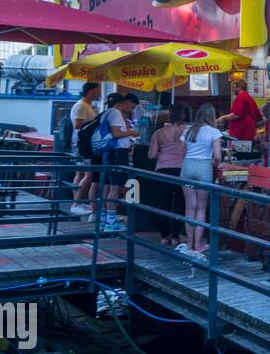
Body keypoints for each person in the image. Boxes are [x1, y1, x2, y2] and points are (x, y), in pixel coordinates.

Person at [180, 103, 223, 262]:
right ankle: (198, 245)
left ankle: (189, 244)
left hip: (187, 167)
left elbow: (182, 153)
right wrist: (215, 165)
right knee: (201, 208)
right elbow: (217, 156)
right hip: (204, 167)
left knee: (189, 207)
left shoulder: (188, 130)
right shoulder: (214, 132)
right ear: (212, 116)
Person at [96, 92, 140, 231]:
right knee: (114, 187)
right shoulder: (115, 113)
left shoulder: (107, 113)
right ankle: (111, 222)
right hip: (117, 153)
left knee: (108, 186)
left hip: (108, 153)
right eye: (132, 107)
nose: (132, 110)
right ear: (125, 102)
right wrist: (131, 133)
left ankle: (103, 219)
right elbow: (116, 134)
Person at [148, 102, 189, 248]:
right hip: (181, 170)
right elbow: (187, 152)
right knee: (179, 203)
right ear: (182, 115)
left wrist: (163, 153)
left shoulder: (159, 133)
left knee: (163, 203)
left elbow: (151, 155)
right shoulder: (186, 131)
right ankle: (176, 237)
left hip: (163, 170)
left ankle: (164, 236)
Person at [69, 81, 101, 216]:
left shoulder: (87, 106)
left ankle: (77, 202)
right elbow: (77, 124)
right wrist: (94, 123)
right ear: (91, 91)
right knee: (88, 174)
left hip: (81, 143)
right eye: (98, 90)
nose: (99, 92)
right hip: (82, 143)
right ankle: (76, 203)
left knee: (81, 173)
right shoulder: (81, 106)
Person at [217, 78, 264, 159]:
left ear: (238, 87)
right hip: (248, 133)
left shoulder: (241, 97)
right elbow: (259, 117)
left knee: (240, 158)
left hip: (242, 133)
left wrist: (223, 118)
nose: (232, 90)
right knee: (246, 156)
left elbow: (236, 115)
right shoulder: (249, 98)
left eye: (233, 87)